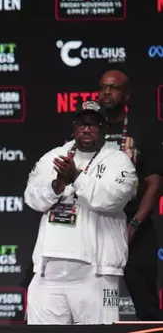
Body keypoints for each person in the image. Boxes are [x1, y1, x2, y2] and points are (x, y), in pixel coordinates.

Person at [25, 100, 138, 325]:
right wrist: (57, 185)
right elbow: (32, 198)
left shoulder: (120, 161)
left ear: (104, 129)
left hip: (101, 273)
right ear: (73, 128)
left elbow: (111, 200)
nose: (87, 129)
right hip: (49, 270)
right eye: (82, 123)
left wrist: (75, 176)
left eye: (94, 124)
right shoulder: (53, 157)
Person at [97, 70, 163, 320]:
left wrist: (133, 226)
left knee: (146, 305)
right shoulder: (89, 128)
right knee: (103, 303)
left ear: (126, 94)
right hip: (97, 226)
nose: (106, 92)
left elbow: (154, 184)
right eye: (103, 87)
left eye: (113, 88)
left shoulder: (144, 129)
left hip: (135, 226)